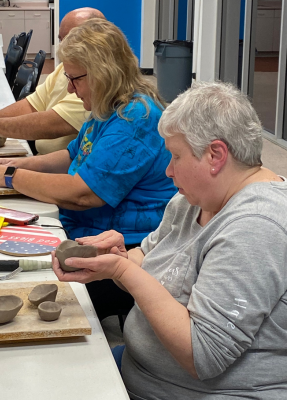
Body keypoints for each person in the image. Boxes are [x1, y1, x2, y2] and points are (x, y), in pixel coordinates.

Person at [52, 81, 287, 399]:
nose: (168, 171)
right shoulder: (195, 199)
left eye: (176, 156)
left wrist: (124, 272)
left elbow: (203, 354)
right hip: (142, 372)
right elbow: (148, 260)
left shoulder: (256, 227)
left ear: (215, 155)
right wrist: (118, 261)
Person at [0, 19, 177, 321]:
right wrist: (15, 165)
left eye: (75, 79)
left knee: (19, 292)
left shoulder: (134, 118)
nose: (71, 90)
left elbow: (82, 194)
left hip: (124, 250)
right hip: (86, 233)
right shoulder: (109, 104)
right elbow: (72, 154)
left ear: (103, 73)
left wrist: (12, 178)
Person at [0, 8, 105, 155]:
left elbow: (52, 124)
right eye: (61, 40)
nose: (63, 48)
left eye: (72, 42)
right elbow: (31, 105)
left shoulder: (96, 84)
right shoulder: (65, 70)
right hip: (47, 162)